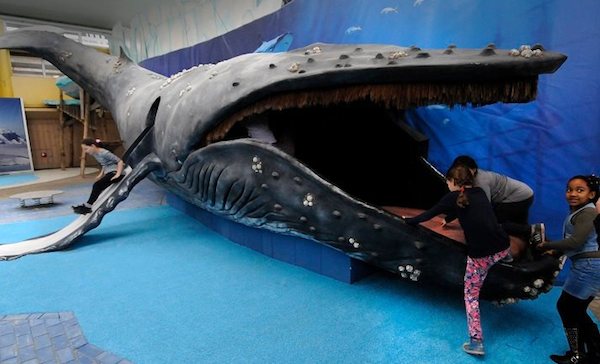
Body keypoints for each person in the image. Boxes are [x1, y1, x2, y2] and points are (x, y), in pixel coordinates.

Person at [403, 165, 510, 357]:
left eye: (447, 181)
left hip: (481, 257)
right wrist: (451, 217)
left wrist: (408, 221)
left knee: (471, 297)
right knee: (498, 251)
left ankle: (476, 342)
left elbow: (430, 213)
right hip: (503, 247)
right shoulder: (479, 192)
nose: (447, 184)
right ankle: (504, 257)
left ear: (453, 182)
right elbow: (472, 210)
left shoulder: (452, 197)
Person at [535, 175, 600, 364]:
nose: (572, 194)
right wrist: (556, 250)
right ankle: (594, 350)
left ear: (592, 194)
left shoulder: (587, 213)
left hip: (588, 268)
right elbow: (577, 244)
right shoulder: (580, 212)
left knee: (566, 307)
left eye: (580, 190)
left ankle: (576, 354)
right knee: (577, 310)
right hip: (589, 266)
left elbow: (576, 241)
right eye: (569, 189)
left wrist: (547, 245)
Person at [448, 155, 544, 245]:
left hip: (519, 197)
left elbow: (485, 207)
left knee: (495, 222)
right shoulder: (468, 179)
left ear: (473, 169)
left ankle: (532, 230)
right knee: (519, 227)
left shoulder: (480, 181)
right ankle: (537, 242)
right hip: (522, 194)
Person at [72, 138, 125, 214]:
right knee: (98, 186)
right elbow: (104, 164)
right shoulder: (95, 154)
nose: (85, 151)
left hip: (116, 173)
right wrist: (100, 174)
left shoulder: (104, 153)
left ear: (93, 146)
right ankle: (88, 205)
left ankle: (87, 206)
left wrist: (118, 174)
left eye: (86, 149)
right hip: (110, 173)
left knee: (97, 185)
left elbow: (120, 161)